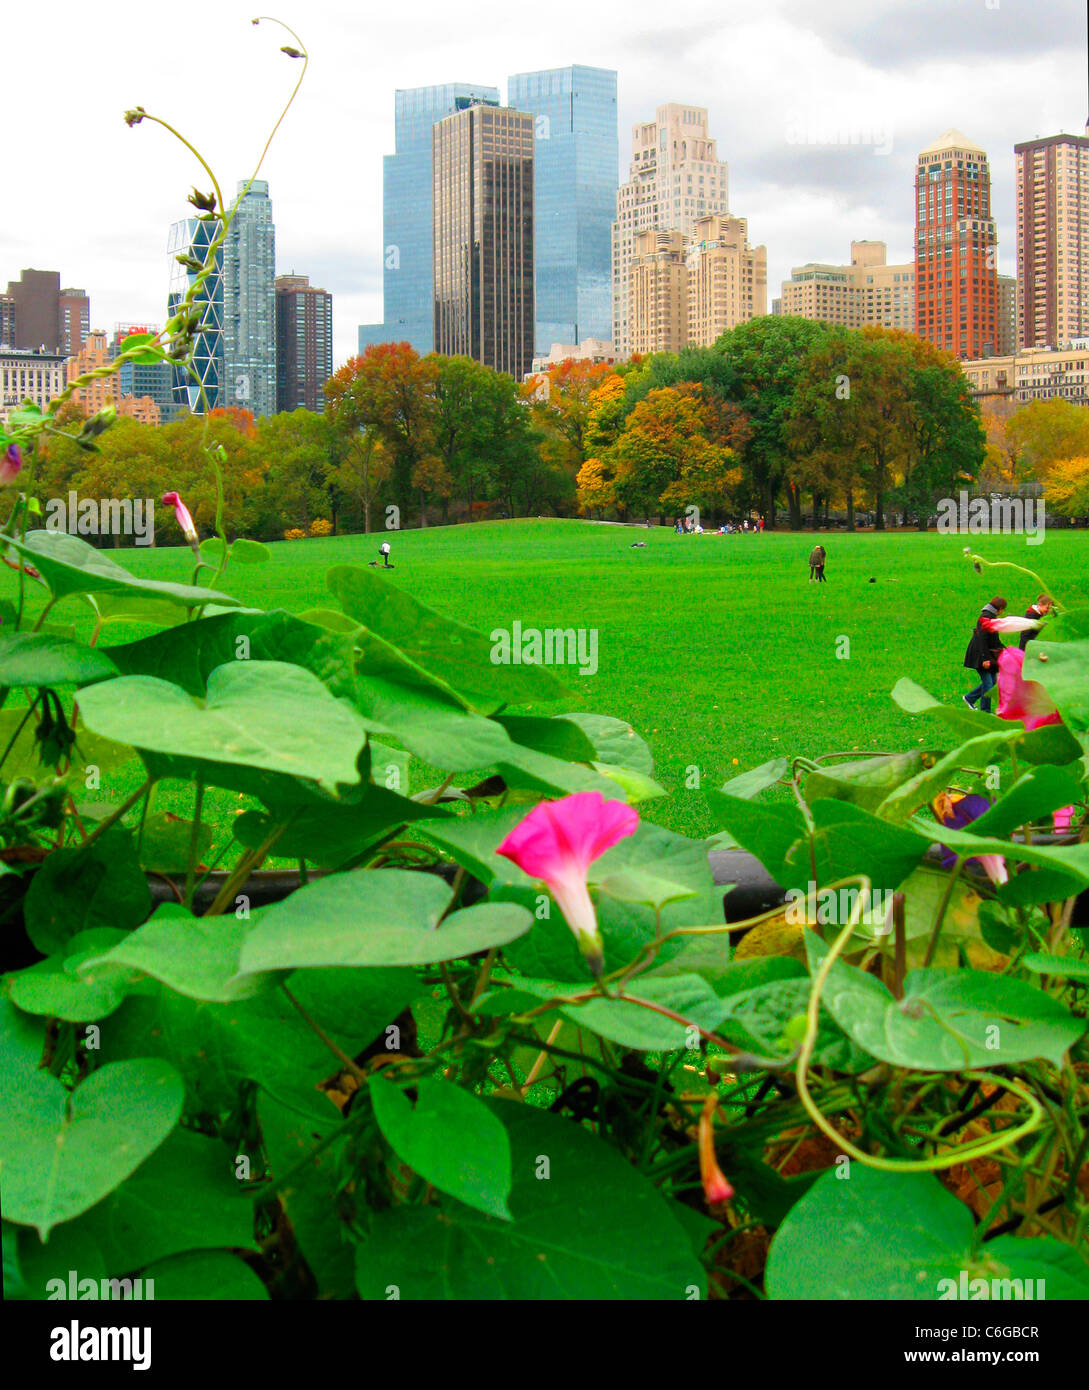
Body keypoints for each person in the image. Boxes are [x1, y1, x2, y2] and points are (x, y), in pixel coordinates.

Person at [963, 596, 1007, 711]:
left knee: (992, 682)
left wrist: (1005, 649)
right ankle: (985, 711)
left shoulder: (989, 617)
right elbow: (982, 639)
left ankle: (970, 698)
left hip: (984, 654)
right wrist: (985, 659)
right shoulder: (986, 618)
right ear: (1000, 608)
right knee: (988, 683)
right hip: (980, 655)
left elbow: (993, 639)